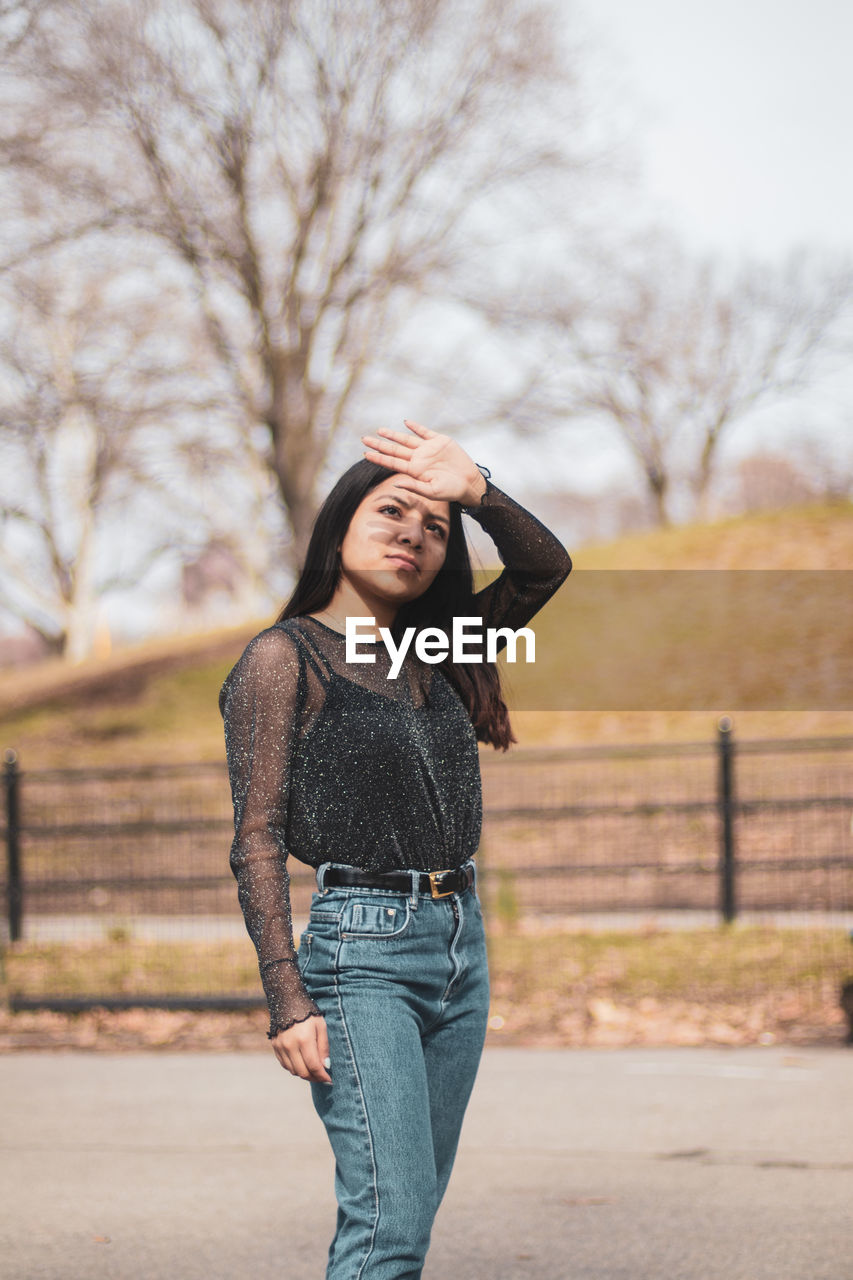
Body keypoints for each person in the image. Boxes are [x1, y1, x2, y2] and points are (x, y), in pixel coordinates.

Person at [220, 420, 571, 1279]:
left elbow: (544, 569)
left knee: (404, 1211)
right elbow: (255, 839)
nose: (413, 535)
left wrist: (477, 491)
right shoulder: (282, 659)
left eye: (434, 526)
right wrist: (287, 998)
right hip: (359, 956)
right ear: (339, 523)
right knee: (390, 1227)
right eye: (391, 514)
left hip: (460, 947)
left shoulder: (438, 645)